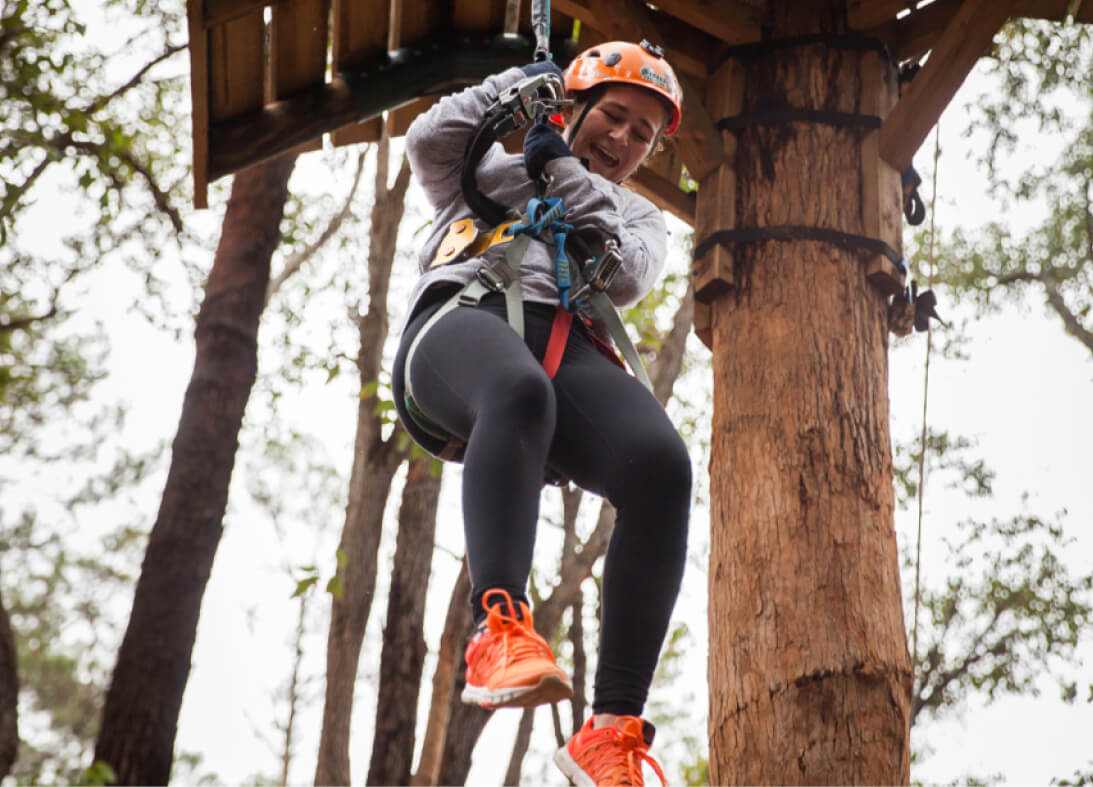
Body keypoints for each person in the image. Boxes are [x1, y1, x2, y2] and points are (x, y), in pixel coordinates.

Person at [393, 40, 691, 786]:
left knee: (661, 467)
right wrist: (520, 87)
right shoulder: (485, 170)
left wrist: (560, 166)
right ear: (577, 106)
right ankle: (498, 627)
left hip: (567, 343)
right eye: (613, 115)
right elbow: (426, 141)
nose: (622, 139)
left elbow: (625, 273)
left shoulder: (638, 214)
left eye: (642, 134)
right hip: (463, 321)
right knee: (517, 389)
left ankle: (610, 731)